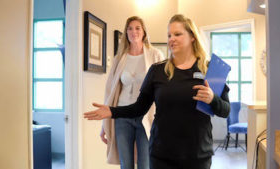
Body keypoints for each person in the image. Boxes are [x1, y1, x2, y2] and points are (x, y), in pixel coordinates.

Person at [84, 14, 230, 169]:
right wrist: (111, 111)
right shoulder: (157, 70)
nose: (171, 39)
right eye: (169, 35)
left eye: (177, 34)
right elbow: (139, 108)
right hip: (162, 155)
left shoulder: (209, 69)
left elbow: (225, 110)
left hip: (197, 156)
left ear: (192, 37)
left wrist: (212, 99)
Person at [99, 16, 164, 169]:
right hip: (122, 115)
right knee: (125, 164)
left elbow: (162, 89)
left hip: (146, 116)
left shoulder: (156, 55)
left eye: (137, 28)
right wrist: (104, 124)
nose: (133, 31)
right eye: (129, 28)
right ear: (126, 33)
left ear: (144, 32)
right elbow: (110, 91)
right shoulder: (120, 58)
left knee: (145, 164)